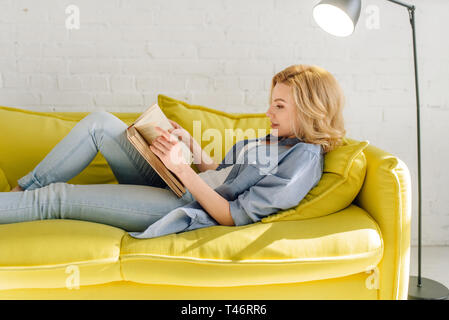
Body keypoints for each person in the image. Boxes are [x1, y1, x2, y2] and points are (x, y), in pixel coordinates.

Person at [1, 64, 346, 239]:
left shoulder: (304, 159)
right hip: (183, 184)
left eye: (279, 106)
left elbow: (232, 215)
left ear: (309, 110)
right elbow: (222, 174)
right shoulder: (277, 140)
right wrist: (192, 148)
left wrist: (182, 170)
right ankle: (20, 191)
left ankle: (19, 200)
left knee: (58, 198)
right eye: (272, 103)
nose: (268, 113)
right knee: (100, 124)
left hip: (187, 204)